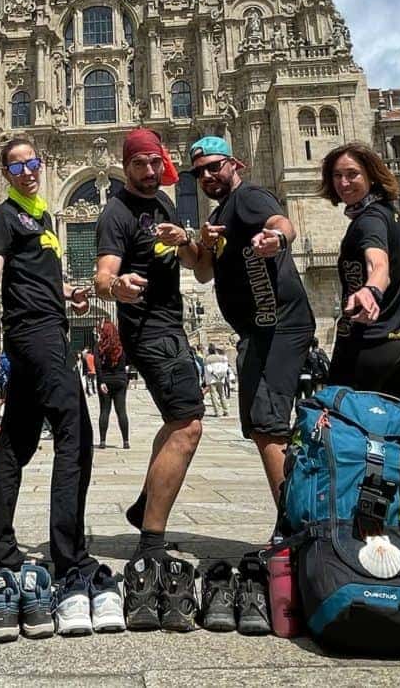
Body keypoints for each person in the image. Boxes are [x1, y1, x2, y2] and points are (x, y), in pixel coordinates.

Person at [0, 136, 97, 585]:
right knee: (74, 434)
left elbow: (37, 277)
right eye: (17, 166)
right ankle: (69, 554)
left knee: (16, 442)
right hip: (36, 335)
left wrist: (69, 293)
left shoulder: (42, 217)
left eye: (32, 162)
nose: (27, 171)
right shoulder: (4, 217)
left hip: (42, 329)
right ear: (5, 174)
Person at [94, 127, 205, 562]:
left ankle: (145, 507)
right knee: (188, 426)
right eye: (139, 163)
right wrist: (116, 286)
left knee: (179, 420)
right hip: (148, 331)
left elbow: (198, 267)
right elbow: (103, 276)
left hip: (171, 324)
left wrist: (188, 240)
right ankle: (151, 543)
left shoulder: (164, 203)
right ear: (126, 167)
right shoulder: (115, 213)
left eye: (155, 162)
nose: (148, 170)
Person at [189, 135, 315, 505]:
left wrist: (276, 237)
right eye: (200, 172)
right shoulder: (217, 215)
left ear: (235, 164)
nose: (208, 176)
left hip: (281, 324)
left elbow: (280, 221)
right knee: (260, 427)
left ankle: (293, 525)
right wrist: (203, 244)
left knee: (268, 422)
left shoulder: (249, 198)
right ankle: (293, 516)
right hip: (256, 330)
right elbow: (201, 275)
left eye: (215, 166)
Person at [317, 142, 400, 406]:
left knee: (343, 427)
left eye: (352, 174)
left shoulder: (369, 221)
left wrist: (371, 289)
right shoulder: (388, 213)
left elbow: (379, 266)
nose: (343, 183)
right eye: (337, 176)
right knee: (399, 430)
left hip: (369, 346)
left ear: (371, 175)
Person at [94, 319, 130, 449]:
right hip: (120, 380)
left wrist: (101, 381)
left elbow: (97, 365)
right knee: (122, 411)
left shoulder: (99, 346)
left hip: (106, 381)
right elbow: (127, 362)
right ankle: (126, 441)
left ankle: (103, 441)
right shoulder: (121, 346)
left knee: (104, 411)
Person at [204, 344, 230, 417]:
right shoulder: (222, 358)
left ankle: (217, 412)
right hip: (221, 379)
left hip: (212, 379)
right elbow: (225, 368)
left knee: (214, 395)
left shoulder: (207, 358)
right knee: (222, 395)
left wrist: (215, 374)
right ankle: (226, 410)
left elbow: (209, 369)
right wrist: (221, 376)